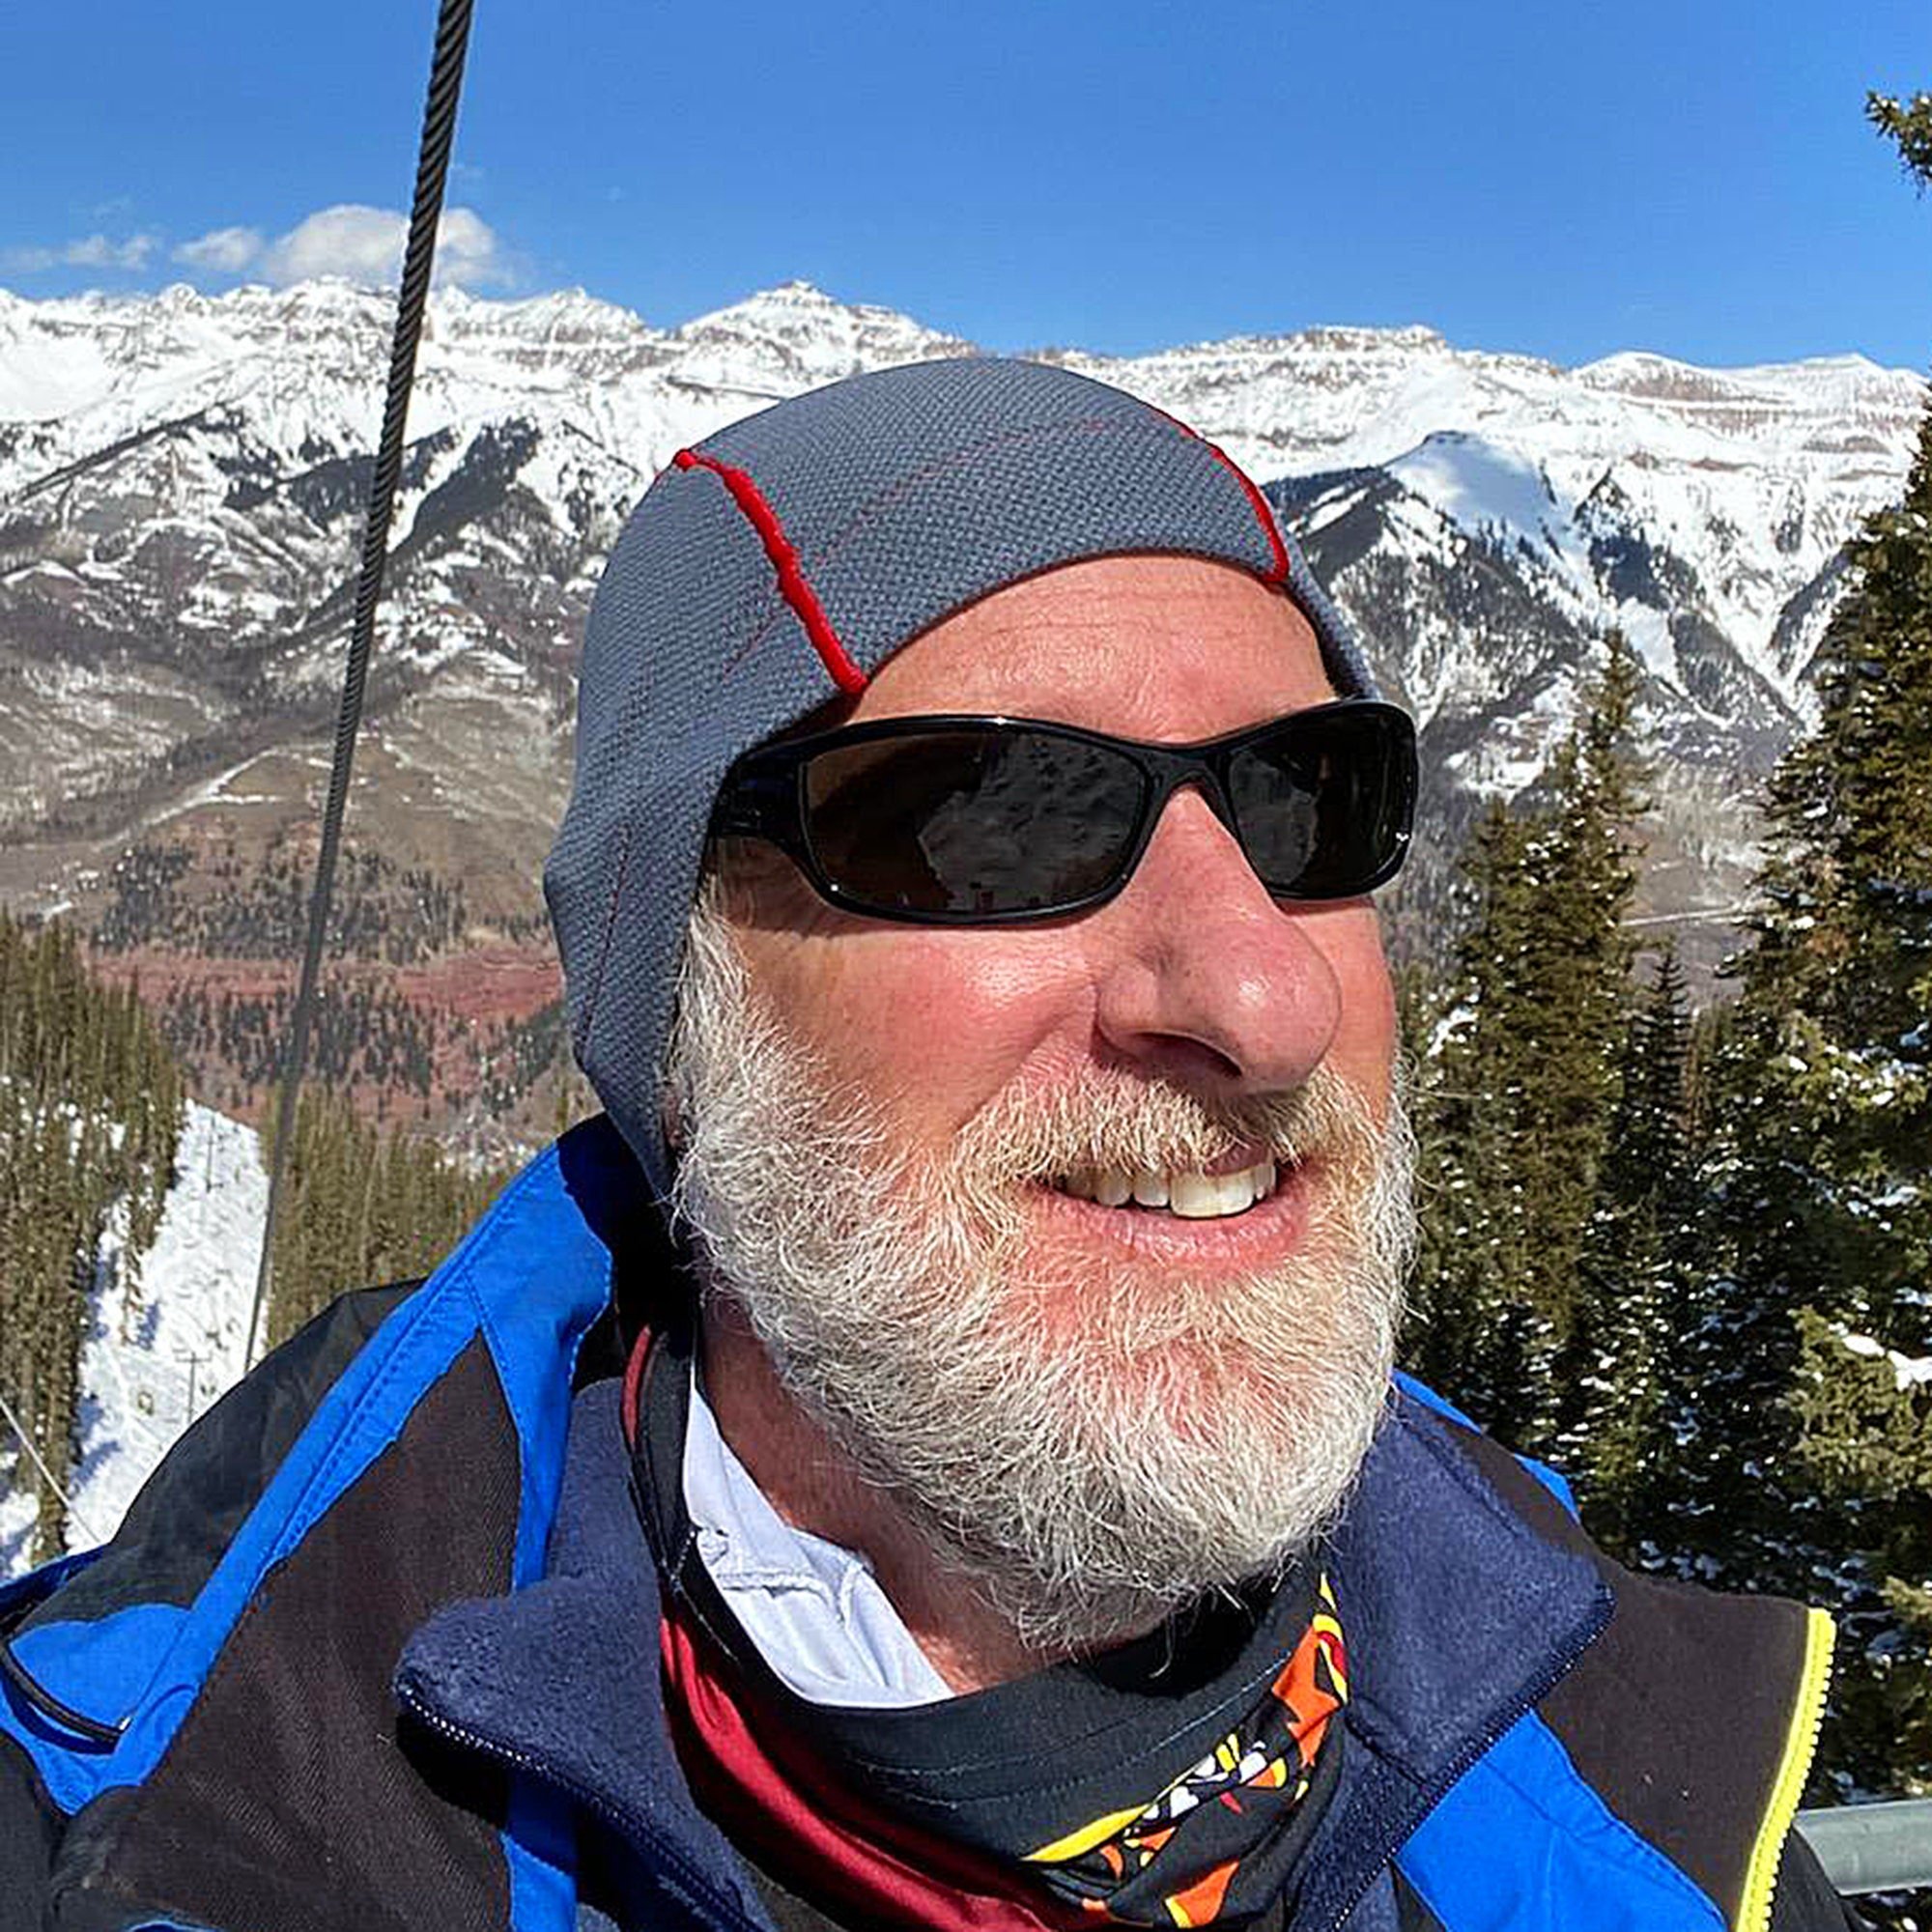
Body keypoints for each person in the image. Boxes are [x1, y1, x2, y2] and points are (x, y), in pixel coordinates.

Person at [0, 358, 1854, 1932]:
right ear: (686, 991)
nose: (1263, 1002)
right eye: (1000, 823)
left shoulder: (1651, 1766)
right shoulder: (172, 1803)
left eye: (1306, 804)